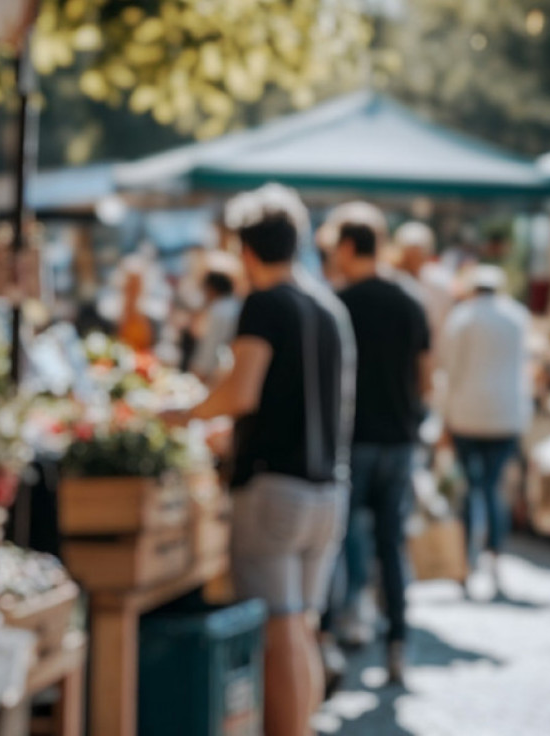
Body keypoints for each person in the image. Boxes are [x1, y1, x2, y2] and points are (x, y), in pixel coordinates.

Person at [165, 184, 354, 736]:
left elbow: (241, 392)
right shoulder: (326, 305)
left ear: (246, 251)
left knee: (280, 630)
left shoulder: (266, 304)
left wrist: (184, 414)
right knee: (301, 627)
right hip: (326, 487)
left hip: (275, 488)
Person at [333, 218, 432, 685]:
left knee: (344, 537)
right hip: (399, 439)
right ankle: (397, 642)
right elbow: (426, 375)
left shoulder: (340, 305)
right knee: (390, 545)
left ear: (350, 247)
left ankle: (347, 623)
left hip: (353, 440)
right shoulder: (408, 304)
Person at [440, 264, 530, 598]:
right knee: (493, 488)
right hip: (506, 414)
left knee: (471, 486)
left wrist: (444, 416)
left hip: (467, 413)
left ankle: (467, 559)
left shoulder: (463, 318)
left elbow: (450, 371)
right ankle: (494, 554)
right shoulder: (516, 317)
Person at [189, 269, 242, 383]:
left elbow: (211, 346)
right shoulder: (235, 306)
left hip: (216, 374)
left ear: (211, 289)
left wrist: (198, 372)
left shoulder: (219, 311)